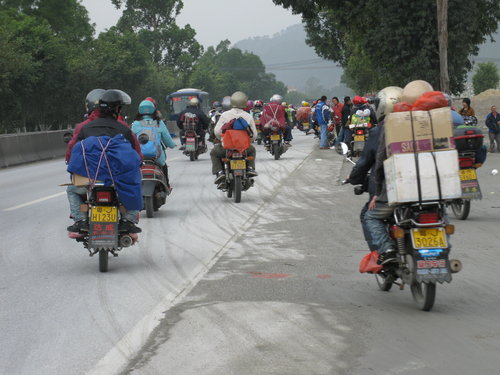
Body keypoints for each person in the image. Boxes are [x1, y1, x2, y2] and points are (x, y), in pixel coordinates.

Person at [365, 80, 433, 264]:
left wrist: (377, 193)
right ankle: (443, 247)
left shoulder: (394, 123)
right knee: (439, 218)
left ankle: (387, 249)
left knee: (370, 216)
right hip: (434, 192)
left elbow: (380, 162)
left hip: (402, 191)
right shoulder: (438, 120)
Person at [66, 89, 143, 234]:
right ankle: (128, 221)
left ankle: (80, 220)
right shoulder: (124, 129)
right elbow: (136, 155)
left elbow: (72, 151)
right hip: (117, 179)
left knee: (72, 190)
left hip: (89, 178)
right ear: (117, 109)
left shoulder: (85, 128)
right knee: (136, 184)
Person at [345, 86, 403, 253]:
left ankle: (384, 253)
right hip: (430, 193)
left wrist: (354, 178)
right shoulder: (419, 125)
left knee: (368, 216)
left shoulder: (380, 131)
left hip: (391, 191)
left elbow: (367, 162)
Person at [211, 91, 258, 187]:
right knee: (252, 150)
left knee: (214, 153)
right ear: (244, 103)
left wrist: (222, 139)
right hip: (243, 148)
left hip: (226, 147)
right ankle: (249, 168)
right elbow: (254, 135)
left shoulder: (224, 115)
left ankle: (220, 172)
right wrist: (250, 140)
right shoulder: (248, 116)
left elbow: (217, 131)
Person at [131, 99, 176, 190]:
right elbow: (167, 139)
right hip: (157, 157)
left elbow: (130, 139)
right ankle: (166, 186)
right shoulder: (159, 123)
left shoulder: (136, 124)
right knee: (163, 167)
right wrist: (172, 145)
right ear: (153, 109)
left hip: (139, 157)